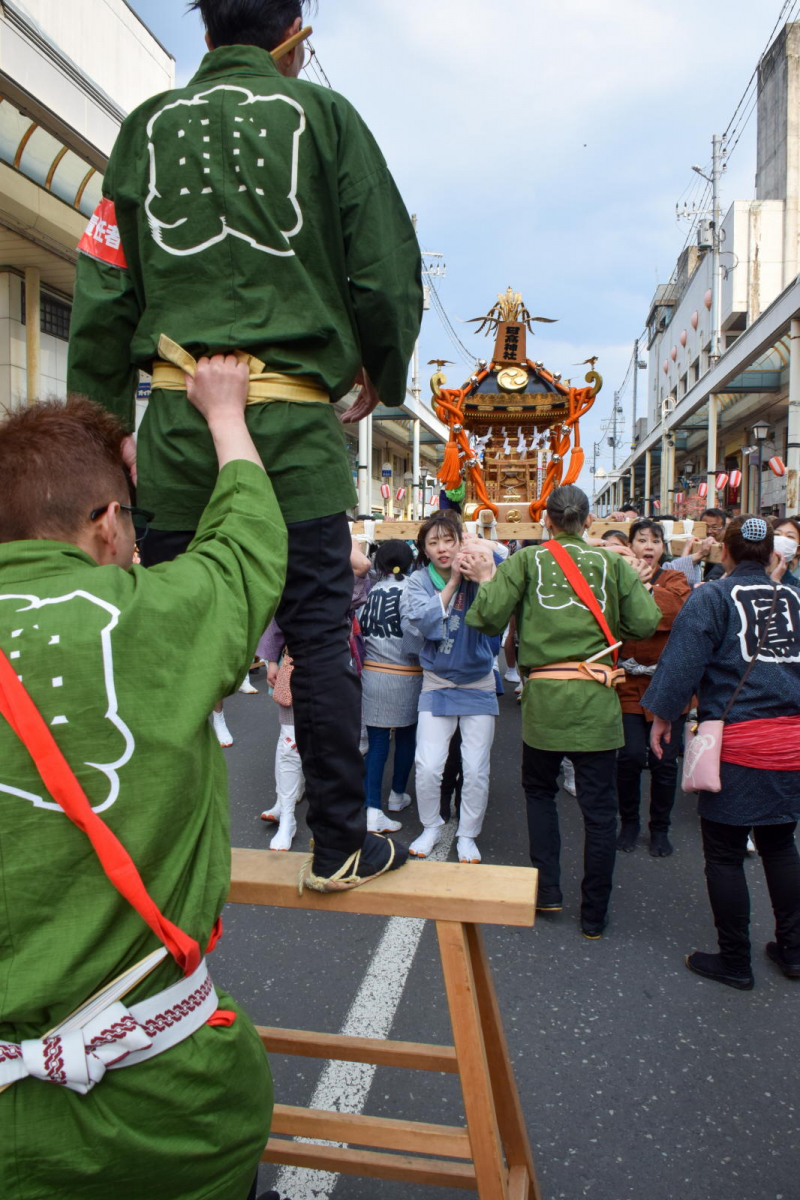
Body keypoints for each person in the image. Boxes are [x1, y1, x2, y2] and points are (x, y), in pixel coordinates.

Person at [66, 0, 422, 890]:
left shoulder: (145, 128)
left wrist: (106, 440)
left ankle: (154, 853)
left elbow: (104, 292)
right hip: (295, 433)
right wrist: (382, 371)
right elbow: (385, 271)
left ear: (207, 32)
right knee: (319, 639)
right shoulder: (326, 117)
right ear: (294, 35)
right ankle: (340, 843)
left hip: (178, 436)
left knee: (169, 641)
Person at [0, 358, 285, 1200]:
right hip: (166, 1112)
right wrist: (224, 414)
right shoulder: (159, 609)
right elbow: (247, 542)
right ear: (106, 522)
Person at [462, 485, 661, 937]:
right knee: (600, 810)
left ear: (546, 521)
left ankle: (547, 890)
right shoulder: (613, 563)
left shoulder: (525, 561)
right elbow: (645, 623)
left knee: (539, 793)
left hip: (545, 700)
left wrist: (487, 579)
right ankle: (594, 914)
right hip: (597, 701)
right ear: (588, 521)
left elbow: (488, 618)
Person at [645, 516, 800, 990]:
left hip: (739, 740)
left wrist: (662, 715)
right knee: (780, 844)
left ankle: (735, 960)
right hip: (792, 739)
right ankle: (793, 950)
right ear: (771, 554)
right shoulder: (795, 597)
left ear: (724, 552)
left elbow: (682, 663)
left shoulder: (714, 596)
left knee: (726, 853)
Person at [401, 513, 502, 864]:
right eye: (434, 543)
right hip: (438, 681)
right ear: (424, 549)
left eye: (449, 540)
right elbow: (421, 623)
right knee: (428, 765)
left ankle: (468, 834)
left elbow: (498, 613)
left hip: (478, 681)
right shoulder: (418, 581)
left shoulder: (481, 566)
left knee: (475, 768)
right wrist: (454, 582)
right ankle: (431, 826)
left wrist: (483, 571)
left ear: (461, 540)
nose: (443, 548)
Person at [615, 519, 692, 856]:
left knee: (664, 762)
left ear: (663, 548)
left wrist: (645, 586)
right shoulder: (617, 576)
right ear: (630, 546)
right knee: (630, 756)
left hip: (667, 683)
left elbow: (675, 611)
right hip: (628, 683)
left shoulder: (674, 578)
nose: (648, 546)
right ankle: (629, 822)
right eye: (641, 539)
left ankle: (660, 828)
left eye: (655, 541)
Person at [360, 540, 422, 832]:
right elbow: (414, 634)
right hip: (407, 672)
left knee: (378, 742)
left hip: (373, 673)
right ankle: (397, 795)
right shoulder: (412, 589)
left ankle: (373, 806)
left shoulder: (370, 592)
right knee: (407, 736)